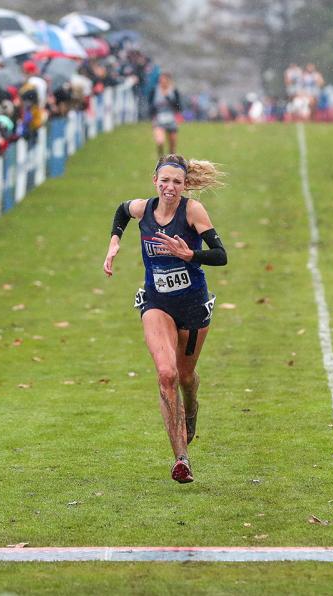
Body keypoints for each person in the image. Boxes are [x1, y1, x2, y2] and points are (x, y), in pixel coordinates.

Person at [103, 154, 227, 484]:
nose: (170, 186)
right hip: (156, 302)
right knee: (166, 373)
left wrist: (190, 254)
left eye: (176, 181)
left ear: (184, 185)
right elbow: (121, 210)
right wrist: (114, 242)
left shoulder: (193, 212)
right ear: (154, 180)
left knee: (186, 376)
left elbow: (221, 255)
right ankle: (181, 459)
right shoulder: (143, 209)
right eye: (164, 180)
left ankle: (192, 406)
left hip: (193, 305)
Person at [149, 73, 182, 158]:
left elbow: (179, 107)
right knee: (160, 141)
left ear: (168, 81)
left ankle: (171, 159)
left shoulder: (174, 91)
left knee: (172, 144)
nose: (162, 82)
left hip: (171, 118)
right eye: (161, 81)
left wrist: (168, 98)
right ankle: (160, 157)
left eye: (164, 80)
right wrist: (152, 116)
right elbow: (150, 105)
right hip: (159, 118)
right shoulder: (154, 90)